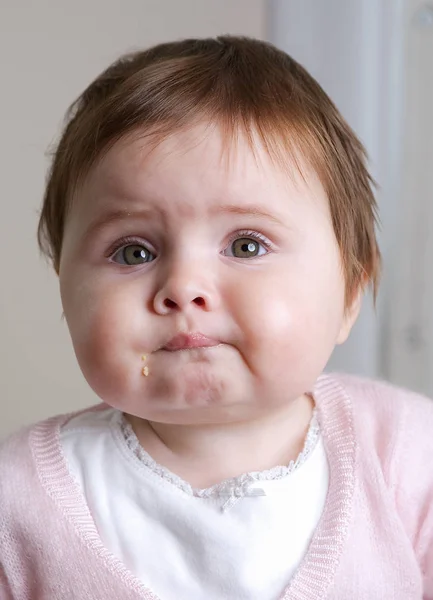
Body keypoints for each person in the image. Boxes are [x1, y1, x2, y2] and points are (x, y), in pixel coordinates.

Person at [1, 35, 432, 600]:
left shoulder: (407, 455)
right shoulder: (18, 501)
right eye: (134, 252)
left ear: (351, 291)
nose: (183, 288)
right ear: (65, 290)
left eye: (247, 245)